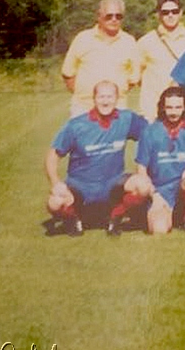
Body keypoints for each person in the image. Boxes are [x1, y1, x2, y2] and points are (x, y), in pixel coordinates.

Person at [44, 80, 146, 235]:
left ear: (117, 98)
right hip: (81, 186)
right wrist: (55, 183)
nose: (106, 102)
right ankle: (74, 219)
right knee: (54, 203)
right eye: (101, 97)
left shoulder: (126, 119)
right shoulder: (76, 125)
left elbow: (152, 134)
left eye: (110, 97)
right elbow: (52, 155)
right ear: (94, 99)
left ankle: (115, 217)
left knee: (143, 185)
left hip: (113, 183)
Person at [121, 85, 185, 236]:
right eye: (169, 107)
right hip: (160, 193)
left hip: (183, 191)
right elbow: (141, 170)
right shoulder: (150, 132)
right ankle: (152, 213)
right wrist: (154, 195)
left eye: (178, 107)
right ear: (162, 108)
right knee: (159, 230)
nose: (173, 112)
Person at [61, 0, 140, 117]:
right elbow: (68, 73)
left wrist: (112, 96)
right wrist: (84, 95)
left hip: (117, 109)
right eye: (109, 16)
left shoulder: (129, 42)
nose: (114, 19)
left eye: (118, 16)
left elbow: (133, 79)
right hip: (83, 108)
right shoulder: (83, 38)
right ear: (99, 17)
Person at [137, 0, 185, 121]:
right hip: (153, 112)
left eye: (174, 11)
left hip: (183, 112)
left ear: (181, 13)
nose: (170, 15)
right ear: (158, 14)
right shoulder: (145, 42)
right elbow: (137, 76)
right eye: (165, 12)